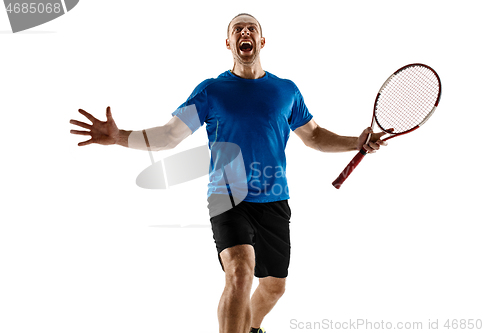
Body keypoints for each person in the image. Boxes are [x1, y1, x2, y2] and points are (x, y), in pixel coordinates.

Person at [70, 13, 387, 333]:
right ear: (229, 43)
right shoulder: (212, 91)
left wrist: (355, 142)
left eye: (252, 29)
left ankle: (251, 328)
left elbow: (315, 136)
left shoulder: (286, 90)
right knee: (240, 272)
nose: (244, 31)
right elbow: (169, 136)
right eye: (238, 29)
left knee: (275, 287)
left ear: (262, 42)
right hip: (227, 198)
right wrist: (119, 136)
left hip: (274, 200)